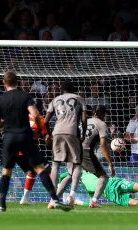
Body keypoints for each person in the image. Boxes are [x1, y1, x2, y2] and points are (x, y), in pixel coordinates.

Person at [0, 71, 70, 212]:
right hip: (24, 136)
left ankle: (2, 204)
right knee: (41, 168)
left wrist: (7, 122)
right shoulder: (25, 96)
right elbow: (35, 114)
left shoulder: (0, 100)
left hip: (9, 138)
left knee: (6, 172)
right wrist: (40, 128)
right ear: (18, 82)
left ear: (4, 83)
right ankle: (55, 199)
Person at [57, 105, 115, 208]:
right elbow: (103, 145)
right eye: (103, 114)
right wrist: (110, 163)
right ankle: (94, 201)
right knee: (103, 177)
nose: (104, 116)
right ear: (98, 114)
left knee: (70, 176)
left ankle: (55, 199)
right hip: (85, 152)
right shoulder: (101, 124)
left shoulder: (84, 122)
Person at [45, 80, 87, 209]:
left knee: (56, 164)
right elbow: (84, 119)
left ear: (62, 90)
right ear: (73, 89)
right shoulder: (78, 98)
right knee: (77, 163)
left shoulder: (55, 100)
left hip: (57, 131)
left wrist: (49, 134)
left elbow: (45, 120)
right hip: (72, 132)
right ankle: (72, 195)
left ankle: (53, 198)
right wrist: (83, 134)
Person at [59, 170, 138, 207]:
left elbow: (65, 175)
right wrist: (78, 202)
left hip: (113, 182)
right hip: (112, 195)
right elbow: (92, 201)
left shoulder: (87, 167)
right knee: (137, 204)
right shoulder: (88, 188)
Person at [19, 113, 52, 205]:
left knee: (32, 171)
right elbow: (47, 139)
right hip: (28, 150)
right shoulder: (40, 119)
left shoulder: (19, 116)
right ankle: (56, 197)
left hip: (16, 151)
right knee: (48, 170)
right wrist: (50, 138)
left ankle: (25, 198)